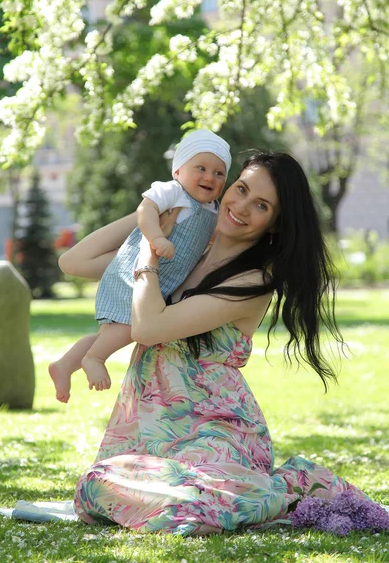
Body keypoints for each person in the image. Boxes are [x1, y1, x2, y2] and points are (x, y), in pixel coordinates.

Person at [60, 151, 373, 535]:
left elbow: (147, 328)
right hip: (154, 433)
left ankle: (282, 491)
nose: (240, 206)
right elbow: (75, 261)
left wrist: (148, 253)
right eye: (240, 189)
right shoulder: (187, 246)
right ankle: (219, 505)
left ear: (274, 224)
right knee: (97, 485)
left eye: (261, 205)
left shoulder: (253, 282)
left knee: (190, 493)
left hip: (217, 432)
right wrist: (160, 209)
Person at [49, 129, 231, 403]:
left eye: (219, 173)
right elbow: (145, 210)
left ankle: (65, 364)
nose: (210, 177)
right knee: (126, 330)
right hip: (134, 273)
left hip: (158, 280)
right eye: (201, 168)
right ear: (178, 171)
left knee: (112, 333)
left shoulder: (212, 209)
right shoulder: (174, 192)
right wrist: (156, 236)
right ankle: (95, 358)